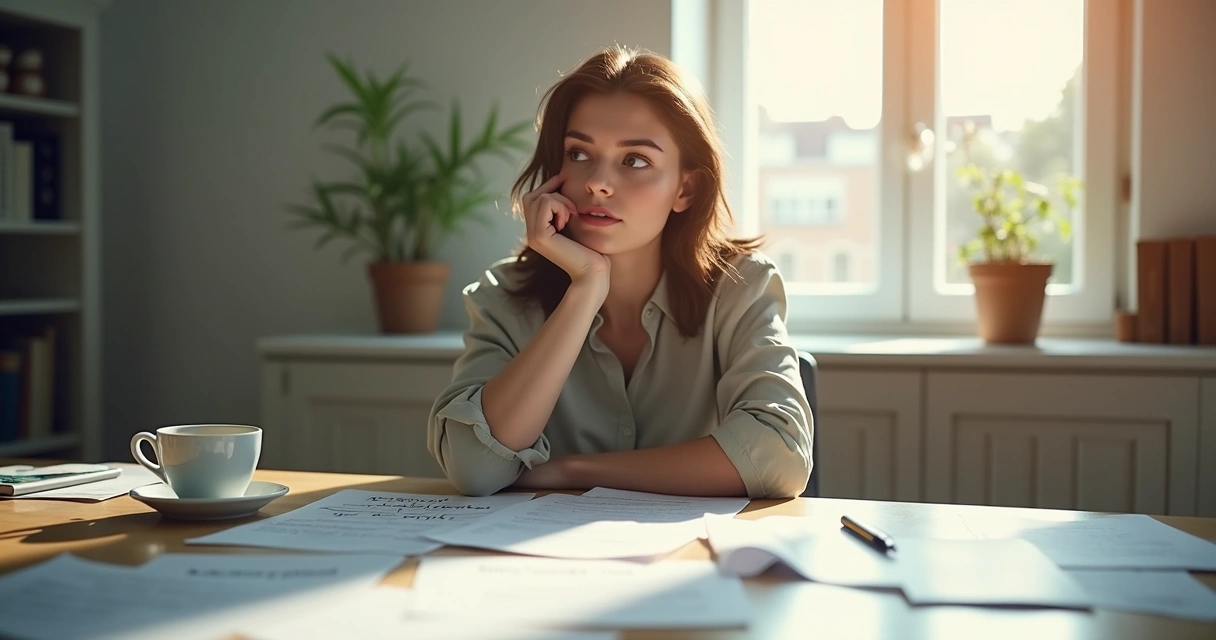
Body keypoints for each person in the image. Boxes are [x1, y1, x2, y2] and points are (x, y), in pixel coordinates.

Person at [427, 45, 812, 498]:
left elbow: (779, 455)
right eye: (578, 153)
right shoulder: (503, 297)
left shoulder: (742, 287)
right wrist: (586, 288)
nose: (597, 182)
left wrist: (574, 471)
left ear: (685, 188)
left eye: (634, 160)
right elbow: (474, 467)